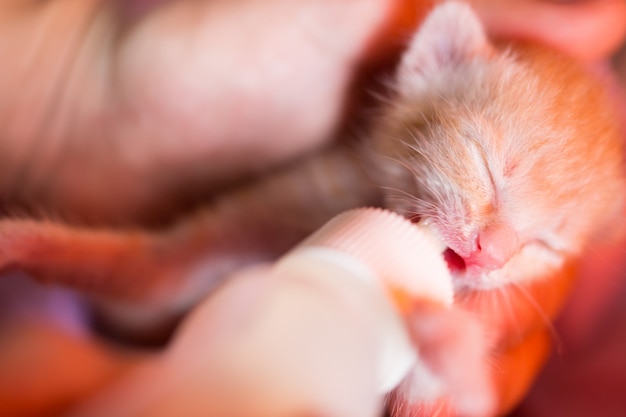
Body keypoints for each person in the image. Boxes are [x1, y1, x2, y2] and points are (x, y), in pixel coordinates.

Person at [0, 0, 625, 416]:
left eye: (545, 243)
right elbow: (166, 265)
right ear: (434, 62)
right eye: (489, 174)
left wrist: (452, 376)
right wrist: (27, 245)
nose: (494, 252)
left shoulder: (483, 303)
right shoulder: (326, 181)